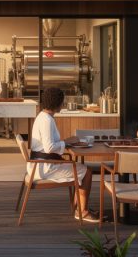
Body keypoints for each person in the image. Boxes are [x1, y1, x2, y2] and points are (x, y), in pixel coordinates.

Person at [30, 87, 98, 223]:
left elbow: (48, 145)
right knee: (86, 172)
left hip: (41, 164)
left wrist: (66, 142)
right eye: (62, 101)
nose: (63, 104)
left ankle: (78, 207)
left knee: (80, 169)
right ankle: (82, 211)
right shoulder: (47, 121)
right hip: (45, 168)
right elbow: (49, 147)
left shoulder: (43, 117)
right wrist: (66, 142)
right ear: (58, 103)